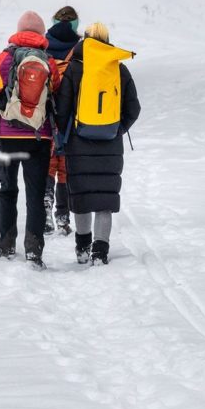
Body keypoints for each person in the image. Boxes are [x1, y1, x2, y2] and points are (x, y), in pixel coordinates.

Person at [0, 10, 62, 268]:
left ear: (18, 31)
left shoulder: (2, 60)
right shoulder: (50, 63)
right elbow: (56, 103)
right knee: (35, 194)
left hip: (6, 137)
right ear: (42, 34)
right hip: (38, 138)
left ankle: (7, 245)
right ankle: (34, 251)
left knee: (7, 191)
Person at [54, 22, 141, 265]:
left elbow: (62, 110)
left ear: (86, 40)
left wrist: (67, 134)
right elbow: (134, 109)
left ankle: (83, 246)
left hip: (78, 143)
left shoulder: (74, 69)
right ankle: (100, 250)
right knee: (105, 197)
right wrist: (117, 130)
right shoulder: (119, 69)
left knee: (82, 194)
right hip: (110, 145)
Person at [43, 6, 82, 235]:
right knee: (66, 167)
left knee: (48, 163)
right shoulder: (80, 48)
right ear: (76, 23)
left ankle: (45, 209)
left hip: (46, 113)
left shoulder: (43, 44)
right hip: (72, 115)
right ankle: (63, 217)